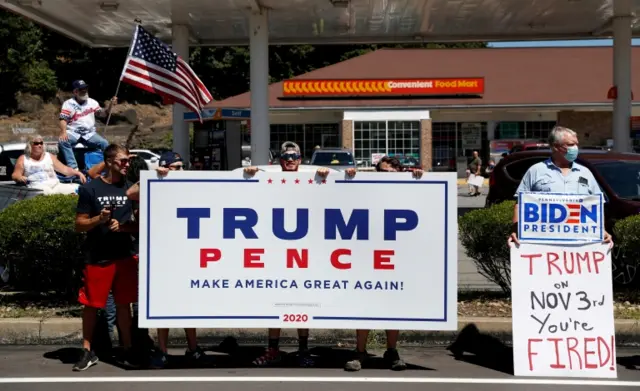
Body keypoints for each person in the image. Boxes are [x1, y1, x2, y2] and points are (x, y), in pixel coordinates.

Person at [243, 141, 351, 367]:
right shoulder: (267, 176)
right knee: (275, 302)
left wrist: (339, 173)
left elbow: (345, 177)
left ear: (301, 160)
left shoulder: (314, 176)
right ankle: (273, 349)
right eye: (286, 157)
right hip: (276, 249)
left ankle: (303, 350)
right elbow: (246, 184)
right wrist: (249, 174)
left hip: (305, 250)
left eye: (294, 157)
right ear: (279, 160)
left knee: (302, 304)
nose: (290, 160)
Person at [339, 156, 423, 372]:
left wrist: (419, 178)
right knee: (365, 304)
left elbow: (425, 206)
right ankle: (360, 352)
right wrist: (350, 179)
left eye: (394, 173)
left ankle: (391, 351)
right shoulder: (367, 190)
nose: (389, 177)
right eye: (384, 173)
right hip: (366, 255)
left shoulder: (407, 191)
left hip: (394, 257)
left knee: (392, 305)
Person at [126, 151, 207, 369]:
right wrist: (153, 175)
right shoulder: (156, 186)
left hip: (187, 253)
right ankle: (162, 352)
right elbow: (131, 193)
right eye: (176, 167)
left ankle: (193, 349)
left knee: (188, 306)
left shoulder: (188, 187)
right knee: (165, 307)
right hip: (162, 256)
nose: (181, 171)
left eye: (182, 167)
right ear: (167, 168)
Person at [73, 144, 139, 371]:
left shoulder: (132, 189)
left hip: (125, 257)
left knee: (124, 305)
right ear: (109, 162)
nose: (127, 164)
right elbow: (79, 224)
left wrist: (123, 227)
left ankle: (127, 349)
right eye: (123, 160)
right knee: (91, 305)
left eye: (129, 160)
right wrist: (98, 220)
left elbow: (141, 226)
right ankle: (87, 350)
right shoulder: (91, 189)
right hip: (98, 256)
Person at [507, 126, 612, 247]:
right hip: (543, 242)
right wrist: (515, 230)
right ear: (556, 147)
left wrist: (601, 231)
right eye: (571, 144)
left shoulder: (585, 173)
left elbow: (596, 206)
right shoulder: (535, 171)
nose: (575, 148)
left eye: (576, 144)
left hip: (579, 244)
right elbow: (520, 204)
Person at [59, 80, 116, 170]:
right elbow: (63, 119)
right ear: (75, 91)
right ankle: (73, 168)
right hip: (73, 132)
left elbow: (102, 114)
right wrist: (63, 132)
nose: (85, 91)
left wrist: (110, 106)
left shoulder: (92, 102)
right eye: (82, 89)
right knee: (63, 141)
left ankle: (110, 167)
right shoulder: (68, 103)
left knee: (104, 143)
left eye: (85, 88)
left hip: (89, 133)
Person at [11, 134, 86, 194]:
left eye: (41, 143)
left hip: (55, 185)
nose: (39, 145)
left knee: (77, 188)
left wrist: (78, 173)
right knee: (46, 192)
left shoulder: (49, 156)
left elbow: (64, 169)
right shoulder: (23, 158)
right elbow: (15, 175)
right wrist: (19, 177)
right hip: (37, 187)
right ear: (30, 145)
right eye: (36, 143)